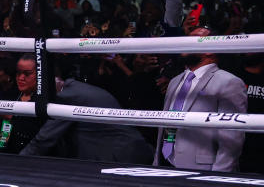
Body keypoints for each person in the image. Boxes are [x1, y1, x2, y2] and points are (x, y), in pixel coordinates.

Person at [153, 27, 247, 172]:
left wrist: (216, 179)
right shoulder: (174, 81)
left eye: (194, 38)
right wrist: (157, 162)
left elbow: (231, 139)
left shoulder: (229, 82)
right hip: (165, 163)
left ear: (210, 49)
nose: (186, 42)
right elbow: (165, 127)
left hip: (202, 169)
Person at [20, 66, 152, 163]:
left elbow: (44, 139)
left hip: (120, 156)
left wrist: (15, 164)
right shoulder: (74, 88)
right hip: (126, 151)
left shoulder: (68, 97)